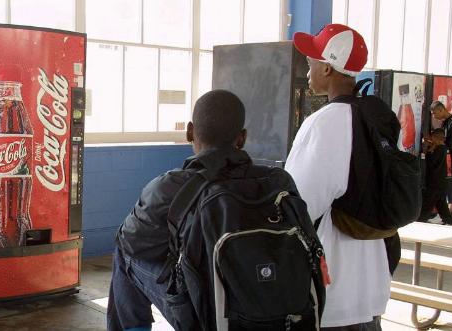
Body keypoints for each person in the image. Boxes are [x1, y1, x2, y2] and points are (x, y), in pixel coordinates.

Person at [107, 90, 303, 330]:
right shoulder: (280, 182)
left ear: (190, 131)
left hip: (207, 317)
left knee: (124, 254)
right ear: (241, 138)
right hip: (286, 310)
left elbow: (131, 242)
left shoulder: (171, 186)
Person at [286, 24, 390, 330]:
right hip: (372, 283)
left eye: (311, 64)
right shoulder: (376, 117)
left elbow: (300, 204)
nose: (308, 72)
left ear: (328, 68)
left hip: (335, 289)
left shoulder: (323, 123)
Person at [419, 129, 452, 225]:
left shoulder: (438, 150)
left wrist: (429, 151)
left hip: (435, 183)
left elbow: (431, 163)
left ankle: (420, 221)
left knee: (427, 203)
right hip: (443, 182)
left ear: (435, 138)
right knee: (441, 203)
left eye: (432, 138)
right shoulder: (446, 149)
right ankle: (448, 220)